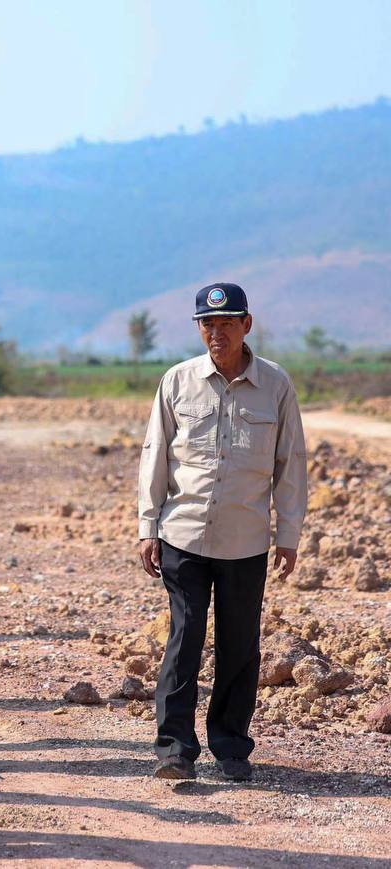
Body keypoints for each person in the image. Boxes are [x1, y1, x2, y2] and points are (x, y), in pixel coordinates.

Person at [139, 283, 307, 783]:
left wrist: (289, 534)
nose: (217, 332)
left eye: (228, 323)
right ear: (198, 328)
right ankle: (174, 749)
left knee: (239, 644)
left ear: (246, 325)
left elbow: (291, 462)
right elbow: (155, 455)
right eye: (208, 324)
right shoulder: (177, 381)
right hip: (183, 534)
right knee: (184, 636)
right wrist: (148, 526)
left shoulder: (275, 385)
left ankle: (232, 748)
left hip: (245, 540)